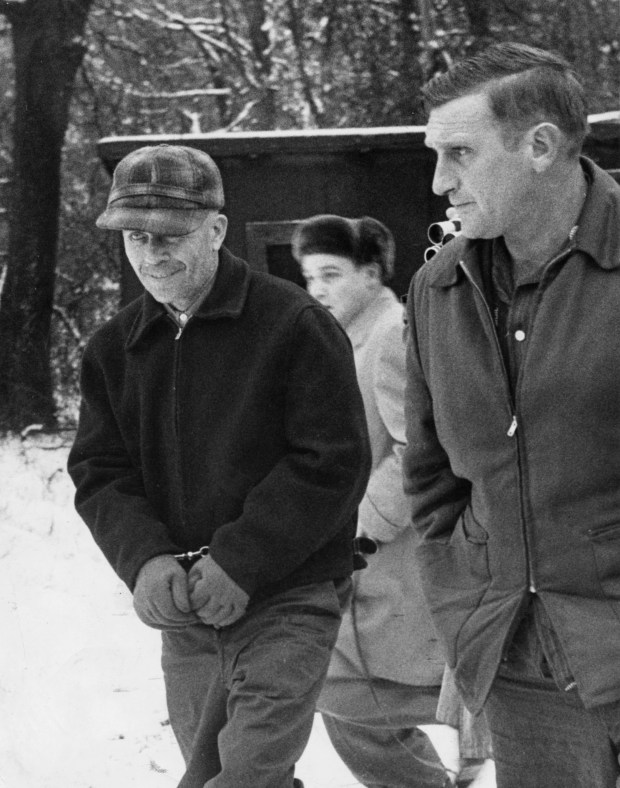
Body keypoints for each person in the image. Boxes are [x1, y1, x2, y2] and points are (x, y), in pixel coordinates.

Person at [67, 144, 372, 788]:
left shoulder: (296, 325)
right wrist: (144, 559)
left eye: (171, 235)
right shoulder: (112, 350)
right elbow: (100, 470)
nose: (152, 255)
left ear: (216, 228)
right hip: (188, 610)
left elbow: (332, 461)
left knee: (249, 772)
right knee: (207, 766)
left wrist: (242, 558)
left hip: (290, 595)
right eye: (135, 237)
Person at [402, 41, 620, 788]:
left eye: (459, 153)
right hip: (522, 668)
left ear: (540, 146)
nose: (440, 182)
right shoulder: (437, 289)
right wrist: (467, 619)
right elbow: (432, 482)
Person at [292, 214, 494, 788]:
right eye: (310, 277)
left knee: (361, 693)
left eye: (332, 274)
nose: (319, 290)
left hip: (396, 553)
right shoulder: (348, 336)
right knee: (359, 693)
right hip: (372, 560)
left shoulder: (389, 335)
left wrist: (363, 525)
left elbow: (417, 446)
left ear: (373, 272)